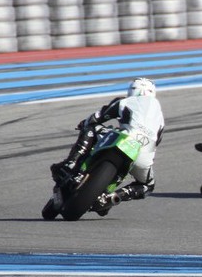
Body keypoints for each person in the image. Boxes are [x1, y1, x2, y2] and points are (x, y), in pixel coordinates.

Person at [50, 77, 165, 205]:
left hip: (124, 139)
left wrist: (84, 124)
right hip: (143, 155)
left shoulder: (125, 101)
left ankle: (71, 163)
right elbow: (157, 142)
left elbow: (96, 118)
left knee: (91, 128)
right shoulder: (160, 117)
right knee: (148, 185)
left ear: (132, 90)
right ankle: (113, 197)